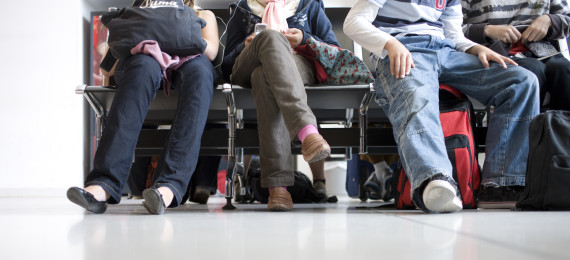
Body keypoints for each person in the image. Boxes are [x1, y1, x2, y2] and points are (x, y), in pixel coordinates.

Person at [344, 0, 540, 212]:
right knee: (417, 96)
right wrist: (390, 44)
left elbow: (452, 33)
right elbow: (353, 22)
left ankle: (500, 185)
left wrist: (475, 48)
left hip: (447, 52)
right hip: (405, 50)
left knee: (522, 81)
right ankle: (434, 180)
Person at [67, 0, 219, 214]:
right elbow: (107, 70)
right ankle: (103, 184)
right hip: (145, 57)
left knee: (201, 75)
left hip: (191, 60)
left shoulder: (203, 15)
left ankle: (169, 186)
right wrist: (140, 33)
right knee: (142, 67)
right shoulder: (137, 14)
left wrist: (179, 34)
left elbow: (211, 52)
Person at [221, 0, 338, 211]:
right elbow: (227, 63)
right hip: (246, 66)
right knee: (270, 36)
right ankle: (307, 132)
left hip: (297, 65)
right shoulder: (242, 8)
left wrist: (305, 38)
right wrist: (246, 46)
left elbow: (333, 50)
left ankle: (278, 189)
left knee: (263, 77)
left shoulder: (309, 5)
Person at [462, 0, 570, 111]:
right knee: (533, 70)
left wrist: (550, 20)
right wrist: (487, 30)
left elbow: (567, 19)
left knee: (564, 69)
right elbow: (450, 30)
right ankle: (530, 126)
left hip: (542, 50)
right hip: (493, 53)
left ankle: (561, 126)